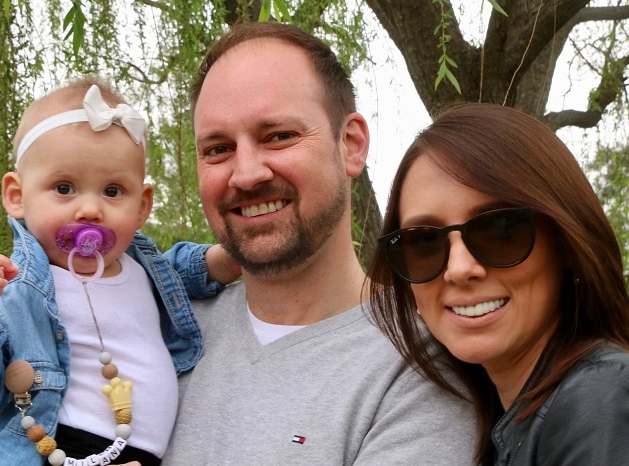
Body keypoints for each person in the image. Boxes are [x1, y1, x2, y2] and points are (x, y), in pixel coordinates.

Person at [161, 21, 477, 465]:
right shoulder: (161, 332)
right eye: (218, 149)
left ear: (350, 144)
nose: (247, 173)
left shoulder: (419, 367)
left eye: (279, 136)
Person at [0, 76, 239, 466]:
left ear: (142, 206)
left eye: (112, 191)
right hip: (58, 449)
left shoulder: (145, 267)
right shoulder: (10, 287)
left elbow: (181, 272)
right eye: (64, 188)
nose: (90, 209)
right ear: (17, 196)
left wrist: (228, 260)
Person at [368, 102, 629, 465]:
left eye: (500, 229)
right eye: (424, 242)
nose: (459, 269)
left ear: (567, 242)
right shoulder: (497, 421)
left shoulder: (601, 402)